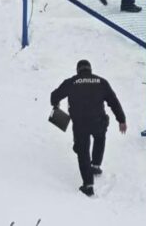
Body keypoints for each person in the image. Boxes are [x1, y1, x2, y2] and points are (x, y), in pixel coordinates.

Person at [50, 60, 127, 197]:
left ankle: (88, 185)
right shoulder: (101, 82)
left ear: (78, 70)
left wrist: (56, 105)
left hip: (80, 124)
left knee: (83, 152)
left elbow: (54, 95)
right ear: (90, 69)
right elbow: (113, 102)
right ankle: (96, 166)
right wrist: (121, 120)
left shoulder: (72, 82)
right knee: (99, 138)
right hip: (98, 121)